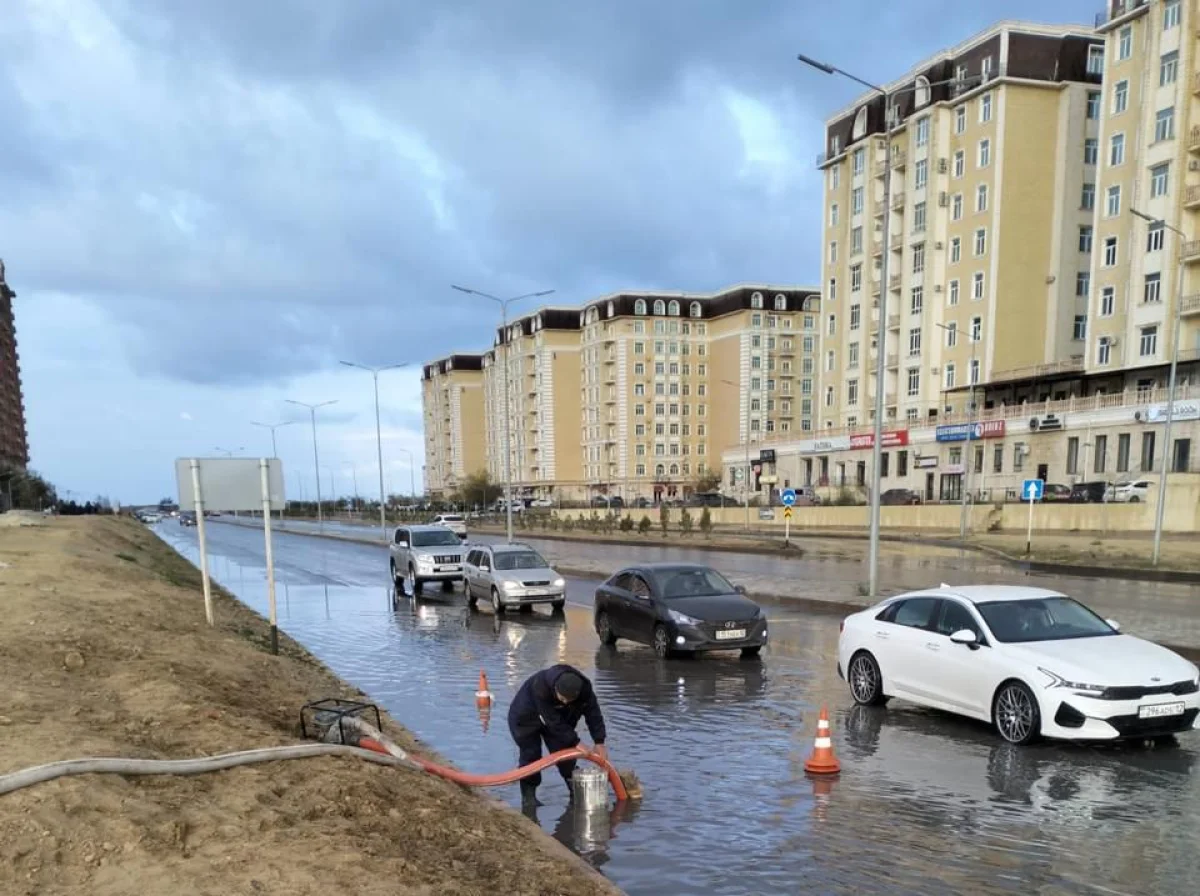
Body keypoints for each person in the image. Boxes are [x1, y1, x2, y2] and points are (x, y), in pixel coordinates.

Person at [508, 664, 607, 805]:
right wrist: (576, 742)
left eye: (569, 700)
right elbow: (554, 722)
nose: (566, 702)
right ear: (555, 689)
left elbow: (593, 714)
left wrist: (599, 741)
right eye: (563, 698)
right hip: (526, 718)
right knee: (531, 755)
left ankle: (576, 793)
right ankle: (529, 798)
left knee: (565, 754)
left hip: (558, 718)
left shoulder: (584, 690)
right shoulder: (541, 687)